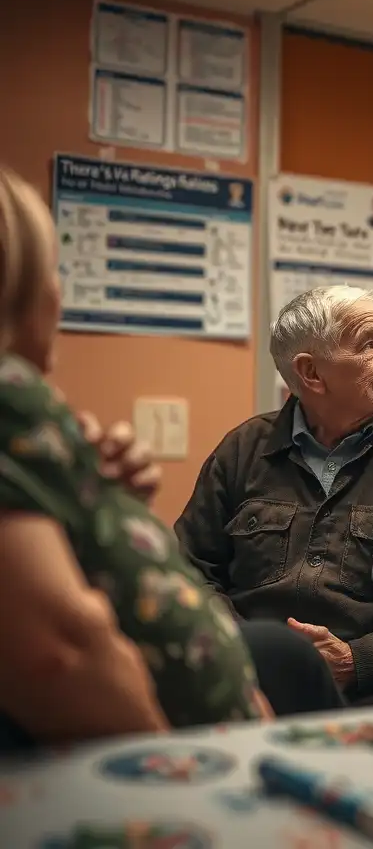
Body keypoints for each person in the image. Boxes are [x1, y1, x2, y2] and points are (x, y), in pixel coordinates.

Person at [0, 166, 277, 751]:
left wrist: (105, 501)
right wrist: (176, 767)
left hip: (225, 710)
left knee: (286, 655)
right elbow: (59, 653)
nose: (60, 290)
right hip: (167, 756)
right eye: (53, 267)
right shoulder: (9, 396)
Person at [175, 285, 373, 707]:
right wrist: (250, 651)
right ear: (311, 373)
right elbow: (187, 572)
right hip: (256, 691)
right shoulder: (242, 451)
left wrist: (358, 661)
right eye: (369, 345)